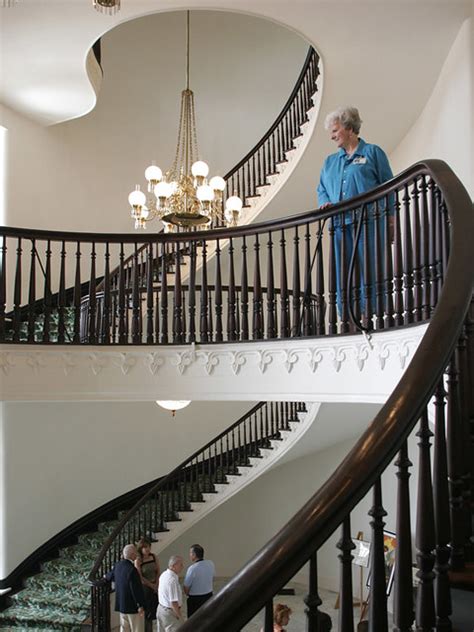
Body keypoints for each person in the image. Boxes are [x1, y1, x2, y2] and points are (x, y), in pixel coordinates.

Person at [317, 106, 394, 317]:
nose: (332, 136)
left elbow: (389, 186)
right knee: (344, 271)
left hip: (370, 222)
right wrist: (324, 202)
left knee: (371, 268)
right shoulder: (330, 162)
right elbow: (321, 189)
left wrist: (391, 220)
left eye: (335, 130)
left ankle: (376, 311)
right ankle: (349, 315)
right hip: (341, 226)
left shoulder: (373, 153)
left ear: (350, 127)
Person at [106, 543, 145, 632]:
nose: (137, 554)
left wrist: (105, 576)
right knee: (137, 629)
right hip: (132, 607)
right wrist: (140, 605)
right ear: (132, 555)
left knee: (124, 628)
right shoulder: (132, 570)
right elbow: (135, 589)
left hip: (122, 604)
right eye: (135, 553)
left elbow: (109, 576)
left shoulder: (118, 566)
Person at [135, 537, 160, 632]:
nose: (148, 549)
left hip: (155, 585)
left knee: (157, 609)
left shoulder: (153, 556)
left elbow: (157, 570)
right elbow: (140, 577)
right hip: (145, 587)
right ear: (140, 549)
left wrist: (157, 583)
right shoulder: (138, 561)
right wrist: (151, 585)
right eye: (145, 547)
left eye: (149, 547)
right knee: (147, 613)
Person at [183, 544, 215, 617]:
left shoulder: (192, 568)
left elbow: (186, 588)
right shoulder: (211, 563)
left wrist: (189, 593)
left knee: (194, 621)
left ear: (194, 555)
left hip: (195, 600)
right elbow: (212, 578)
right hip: (209, 596)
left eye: (190, 553)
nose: (189, 555)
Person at [157, 555, 184, 631]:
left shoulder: (164, 574)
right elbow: (173, 602)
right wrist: (179, 616)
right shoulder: (172, 580)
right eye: (180, 564)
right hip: (169, 613)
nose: (182, 566)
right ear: (173, 566)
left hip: (161, 609)